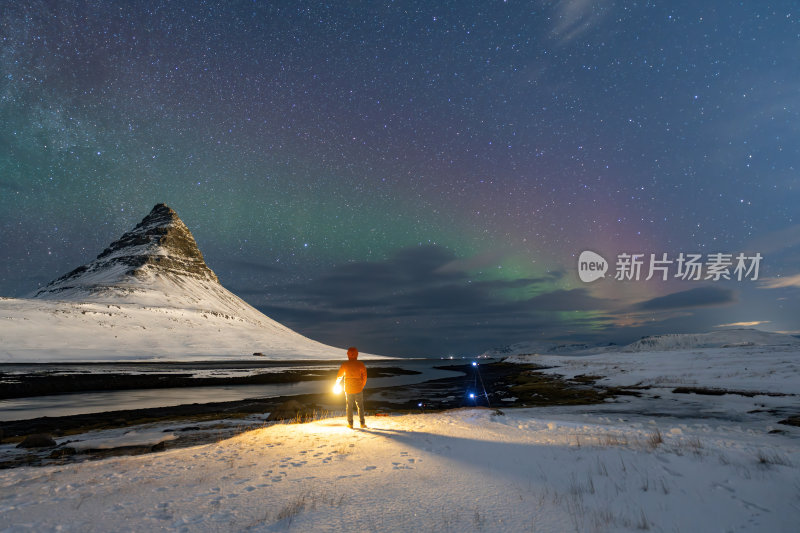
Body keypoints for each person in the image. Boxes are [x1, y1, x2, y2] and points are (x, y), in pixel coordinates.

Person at [336, 346, 367, 429]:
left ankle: (350, 424)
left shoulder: (345, 365)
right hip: (358, 389)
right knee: (360, 406)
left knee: (349, 406)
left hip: (348, 389)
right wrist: (361, 386)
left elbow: (339, 376)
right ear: (357, 354)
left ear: (348, 354)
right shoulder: (360, 364)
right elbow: (364, 377)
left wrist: (336, 384)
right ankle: (362, 423)